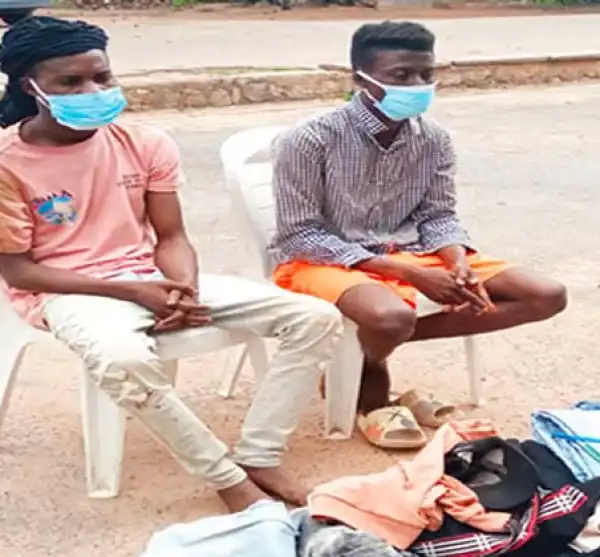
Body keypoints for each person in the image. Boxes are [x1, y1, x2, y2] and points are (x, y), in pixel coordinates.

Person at [0, 16, 344, 511]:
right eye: (69, 82)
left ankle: (260, 455)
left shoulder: (144, 143)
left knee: (315, 317)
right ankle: (226, 478)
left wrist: (183, 288)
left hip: (148, 276)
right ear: (29, 87)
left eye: (101, 76)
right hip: (67, 290)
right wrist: (135, 293)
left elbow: (172, 236)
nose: (92, 91)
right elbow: (18, 271)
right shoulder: (8, 162)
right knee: (124, 360)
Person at [271, 21, 567, 448]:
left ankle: (361, 351)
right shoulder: (310, 139)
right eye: (401, 75)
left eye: (426, 74)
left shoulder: (433, 139)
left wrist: (457, 262)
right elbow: (300, 233)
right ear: (360, 79)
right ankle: (372, 383)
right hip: (323, 258)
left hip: (410, 249)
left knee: (545, 295)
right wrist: (409, 273)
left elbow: (438, 215)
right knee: (391, 316)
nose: (418, 85)